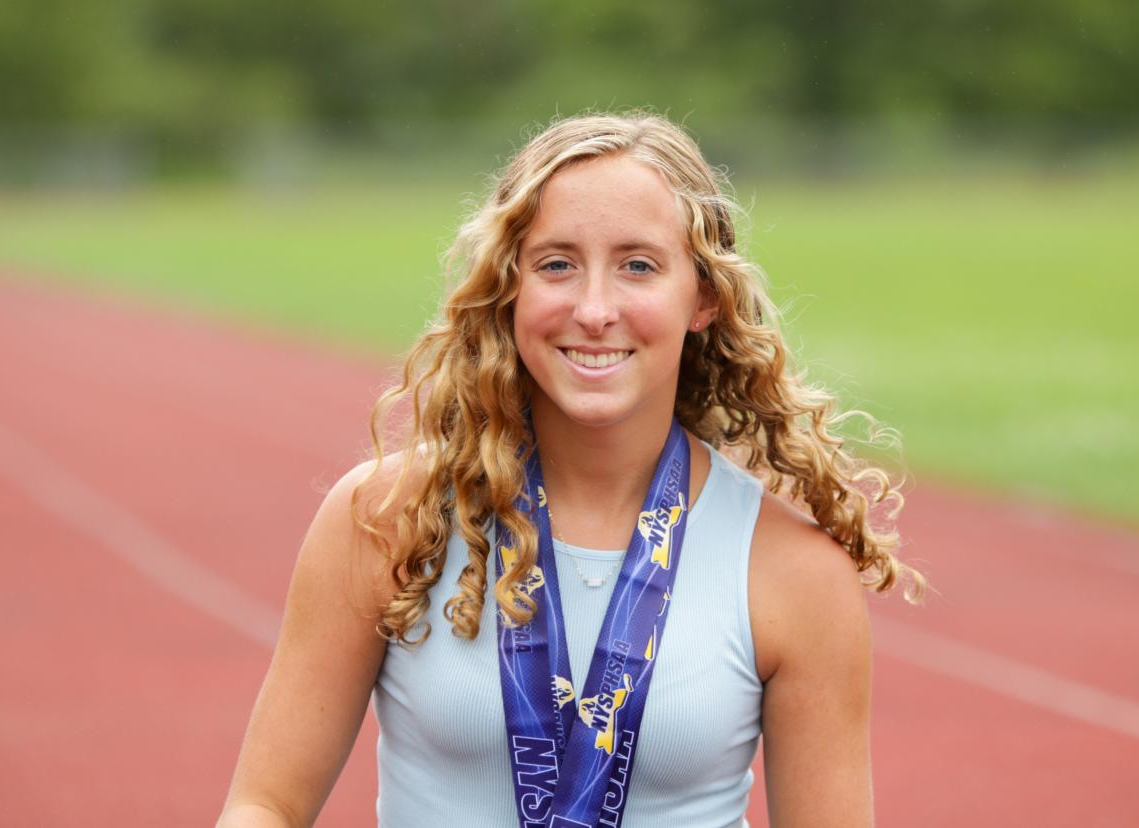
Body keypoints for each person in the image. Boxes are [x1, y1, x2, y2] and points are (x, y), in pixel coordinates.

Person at [217, 111, 925, 828]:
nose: (593, 310)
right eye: (556, 264)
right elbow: (265, 804)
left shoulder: (792, 570)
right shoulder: (390, 516)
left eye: (638, 266)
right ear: (507, 287)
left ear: (704, 297)